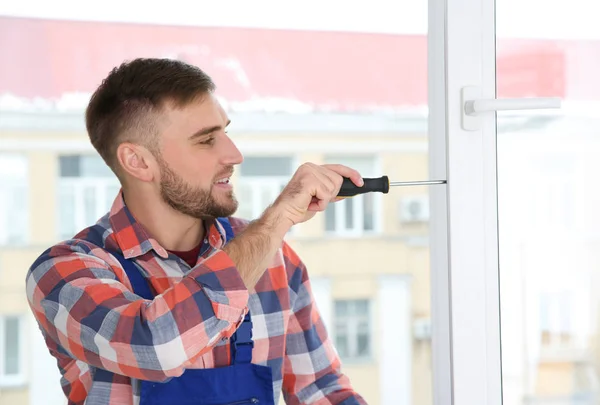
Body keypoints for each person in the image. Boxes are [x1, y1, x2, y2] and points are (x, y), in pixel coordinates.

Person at [25, 58, 368, 405]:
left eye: (226, 133)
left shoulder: (276, 260)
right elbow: (157, 347)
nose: (234, 155)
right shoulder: (63, 273)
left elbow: (322, 391)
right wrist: (277, 219)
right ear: (138, 162)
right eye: (206, 141)